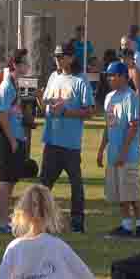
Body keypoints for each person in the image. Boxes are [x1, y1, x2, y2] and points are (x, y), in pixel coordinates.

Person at [39, 43, 95, 233]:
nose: (57, 59)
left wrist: (66, 112)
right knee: (44, 184)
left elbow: (89, 111)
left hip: (70, 144)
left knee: (76, 185)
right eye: (56, 56)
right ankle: (39, 219)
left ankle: (77, 222)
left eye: (61, 56)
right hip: (51, 140)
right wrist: (41, 101)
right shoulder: (53, 77)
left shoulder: (80, 80)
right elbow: (46, 104)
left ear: (71, 58)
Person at [97, 61, 140, 239]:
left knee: (131, 193)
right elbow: (108, 126)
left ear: (123, 77)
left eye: (113, 75)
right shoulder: (109, 98)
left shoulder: (131, 97)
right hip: (113, 154)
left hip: (128, 155)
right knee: (119, 194)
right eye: (108, 76)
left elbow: (133, 126)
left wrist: (124, 152)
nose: (110, 79)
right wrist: (102, 149)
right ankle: (125, 225)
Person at [0, 49, 30, 233]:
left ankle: (6, 218)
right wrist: (12, 140)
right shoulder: (6, 86)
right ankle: (1, 220)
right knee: (6, 180)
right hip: (10, 139)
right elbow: (2, 117)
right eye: (24, 62)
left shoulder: (17, 84)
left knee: (13, 180)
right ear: (15, 65)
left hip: (18, 137)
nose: (27, 66)